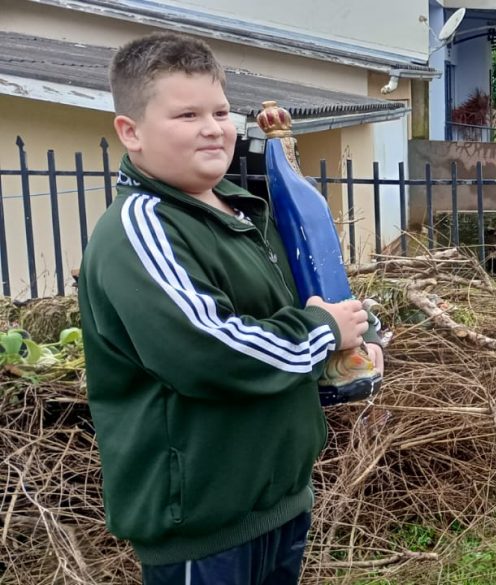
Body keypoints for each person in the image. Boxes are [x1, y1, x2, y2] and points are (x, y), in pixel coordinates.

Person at [78, 32, 380, 584]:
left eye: (220, 110)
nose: (213, 127)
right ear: (131, 132)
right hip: (203, 523)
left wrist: (359, 330)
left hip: (278, 500)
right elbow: (214, 351)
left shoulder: (241, 211)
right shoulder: (142, 228)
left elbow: (301, 303)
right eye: (187, 114)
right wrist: (321, 334)